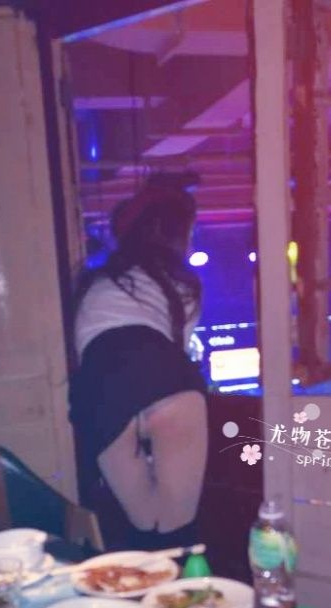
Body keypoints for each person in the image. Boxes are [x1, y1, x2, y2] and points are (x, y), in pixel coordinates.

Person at [69, 173, 208, 551]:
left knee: (140, 523)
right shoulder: (180, 282)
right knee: (177, 526)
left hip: (101, 390)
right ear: (179, 236)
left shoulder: (94, 284)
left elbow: (85, 352)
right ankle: (188, 585)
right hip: (164, 378)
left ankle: (131, 585)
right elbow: (176, 350)